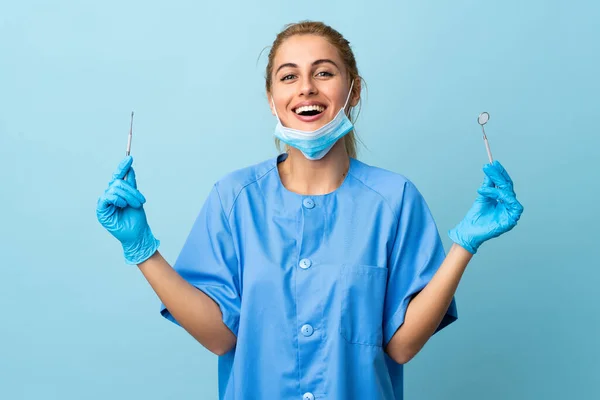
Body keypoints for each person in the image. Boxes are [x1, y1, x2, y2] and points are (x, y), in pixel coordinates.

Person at [96, 21, 523, 400]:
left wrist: (464, 245)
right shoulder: (234, 198)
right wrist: (142, 250)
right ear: (271, 97)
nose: (306, 88)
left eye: (323, 72)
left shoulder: (395, 200)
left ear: (352, 91)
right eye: (289, 76)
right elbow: (220, 339)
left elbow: (402, 346)